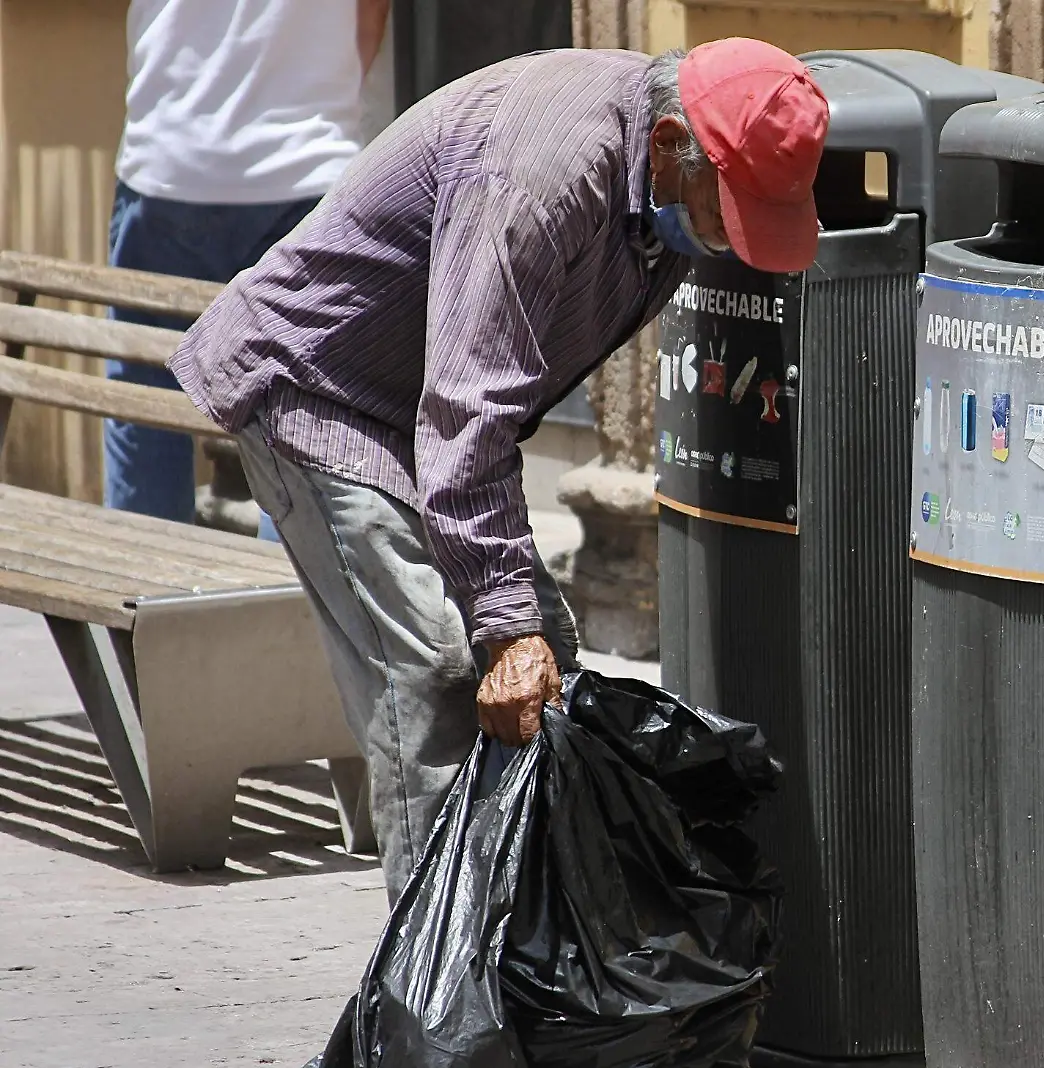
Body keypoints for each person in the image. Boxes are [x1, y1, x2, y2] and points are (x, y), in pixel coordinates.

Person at [169, 40, 829, 898]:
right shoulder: (543, 175)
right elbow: (469, 403)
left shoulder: (662, 189)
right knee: (442, 675)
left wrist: (524, 631)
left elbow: (478, 406)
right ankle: (441, 1013)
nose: (731, 241)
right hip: (320, 395)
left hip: (427, 416)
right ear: (671, 145)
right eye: (728, 209)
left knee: (550, 671)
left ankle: (528, 962)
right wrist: (504, 625)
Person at [110, 0, 390, 533]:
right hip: (309, 163)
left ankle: (135, 605)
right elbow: (371, 14)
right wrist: (326, 107)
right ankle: (286, 606)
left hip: (172, 160)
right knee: (299, 425)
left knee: (143, 414)